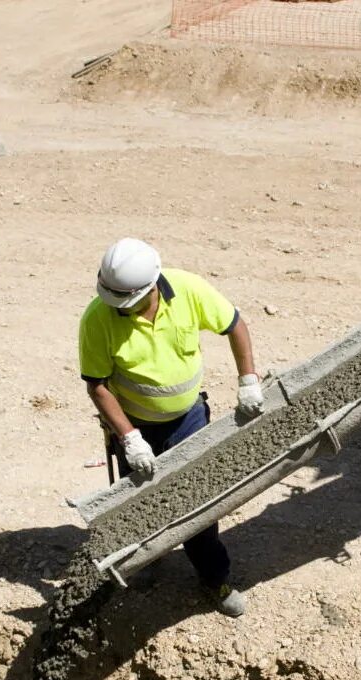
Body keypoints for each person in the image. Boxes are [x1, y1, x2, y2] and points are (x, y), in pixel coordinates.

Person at [79, 238, 265, 617]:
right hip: (136, 428)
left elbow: (235, 324)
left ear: (150, 287)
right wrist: (129, 437)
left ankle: (214, 578)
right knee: (140, 505)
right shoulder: (98, 318)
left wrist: (248, 379)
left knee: (198, 506)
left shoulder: (188, 290)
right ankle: (145, 561)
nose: (118, 309)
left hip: (189, 420)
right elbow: (97, 384)